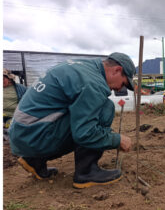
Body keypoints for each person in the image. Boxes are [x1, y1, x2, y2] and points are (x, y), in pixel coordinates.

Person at [8, 53, 136, 187]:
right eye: (124, 83)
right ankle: (87, 173)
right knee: (105, 108)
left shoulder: (83, 66)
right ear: (117, 70)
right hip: (34, 136)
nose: (120, 89)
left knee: (84, 117)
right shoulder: (92, 83)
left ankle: (34, 161)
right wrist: (117, 140)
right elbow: (85, 133)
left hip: (23, 134)